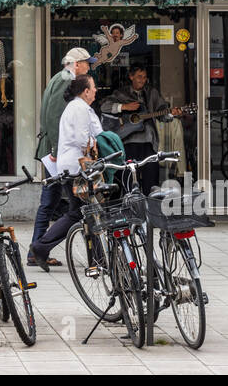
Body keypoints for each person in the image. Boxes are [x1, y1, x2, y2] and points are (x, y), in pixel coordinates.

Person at [28, 47, 97, 267]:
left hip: (56, 150)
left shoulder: (60, 77)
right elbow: (53, 117)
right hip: (57, 152)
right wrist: (56, 152)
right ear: (76, 64)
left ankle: (39, 248)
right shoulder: (66, 78)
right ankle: (37, 248)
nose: (89, 67)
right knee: (53, 202)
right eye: (87, 63)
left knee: (55, 201)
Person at [100, 64, 182, 192]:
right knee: (130, 180)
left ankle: (151, 208)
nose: (142, 80)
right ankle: (132, 207)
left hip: (148, 142)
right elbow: (104, 106)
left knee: (151, 181)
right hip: (128, 142)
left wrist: (171, 113)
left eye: (144, 77)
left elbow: (161, 112)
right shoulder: (121, 93)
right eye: (139, 76)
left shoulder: (151, 93)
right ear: (131, 76)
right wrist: (124, 107)